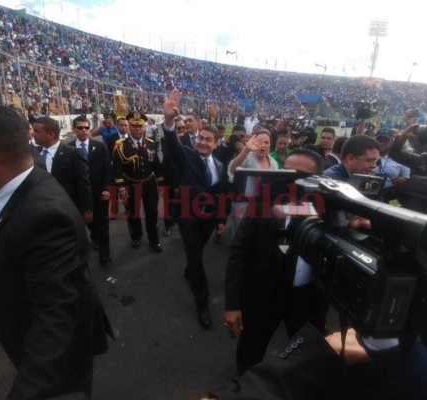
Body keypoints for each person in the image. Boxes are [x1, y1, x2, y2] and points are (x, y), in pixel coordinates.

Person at [0, 105, 112, 399]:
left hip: (58, 360)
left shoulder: (45, 215)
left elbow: (56, 317)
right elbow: (5, 228)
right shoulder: (20, 182)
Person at [224, 148, 326, 376]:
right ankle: (246, 387)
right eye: (287, 173)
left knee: (309, 357)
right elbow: (238, 253)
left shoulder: (327, 210)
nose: (292, 181)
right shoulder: (261, 203)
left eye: (300, 176)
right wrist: (232, 304)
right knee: (250, 353)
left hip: (306, 299)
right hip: (263, 296)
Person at [161, 90, 230, 329]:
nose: (202, 142)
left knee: (197, 251)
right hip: (188, 217)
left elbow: (222, 193)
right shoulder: (187, 156)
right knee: (196, 257)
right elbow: (172, 144)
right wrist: (169, 121)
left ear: (216, 144)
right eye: (200, 138)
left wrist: (221, 218)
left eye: (207, 140)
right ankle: (202, 304)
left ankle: (190, 269)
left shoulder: (220, 165)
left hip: (208, 220)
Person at [112, 111, 164, 253]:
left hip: (149, 183)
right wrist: (121, 188)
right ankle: (136, 236)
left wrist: (161, 184)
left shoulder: (151, 144)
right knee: (133, 213)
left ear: (144, 127)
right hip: (131, 184)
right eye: (134, 126)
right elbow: (116, 168)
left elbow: (157, 166)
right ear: (129, 126)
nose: (137, 129)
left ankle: (154, 239)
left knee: (152, 213)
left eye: (140, 126)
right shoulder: (121, 145)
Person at [68, 116, 113, 266]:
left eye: (86, 128)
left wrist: (107, 189)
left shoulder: (99, 147)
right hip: (79, 197)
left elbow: (108, 169)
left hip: (100, 194)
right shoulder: (68, 149)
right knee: (88, 223)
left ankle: (105, 255)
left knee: (103, 225)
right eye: (80, 128)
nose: (84, 131)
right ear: (74, 129)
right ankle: (94, 236)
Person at [32, 116, 93, 225]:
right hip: (40, 209)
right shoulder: (33, 153)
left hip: (67, 208)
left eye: (37, 131)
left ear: (51, 134)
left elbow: (83, 184)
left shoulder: (73, 154)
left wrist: (86, 209)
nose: (33, 134)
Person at [371, 128, 411, 200]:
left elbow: (407, 179)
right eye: (379, 140)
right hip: (368, 194)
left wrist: (403, 180)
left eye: (386, 141)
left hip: (390, 196)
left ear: (392, 142)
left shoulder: (400, 158)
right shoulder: (367, 155)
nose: (382, 143)